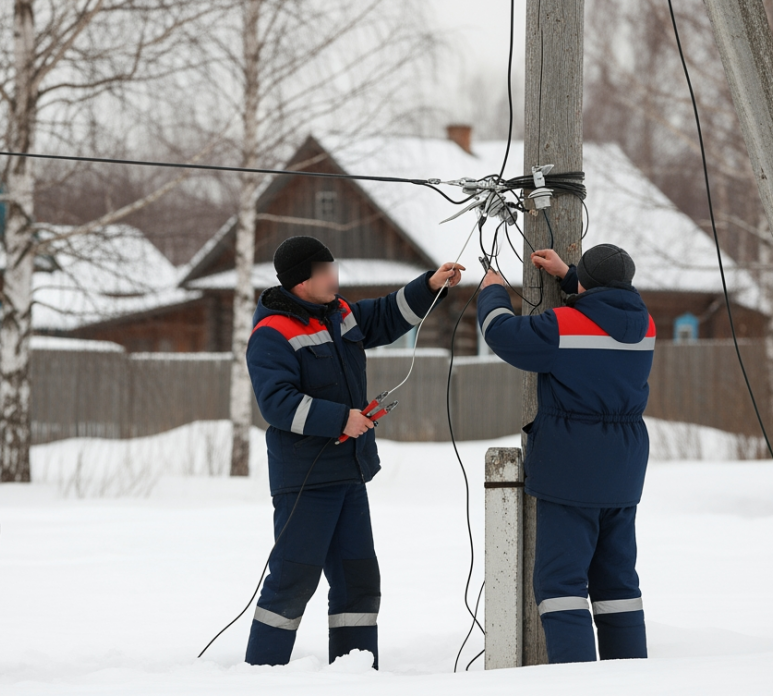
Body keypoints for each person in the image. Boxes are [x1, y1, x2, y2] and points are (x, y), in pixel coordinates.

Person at [244, 236, 464, 668]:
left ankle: (355, 671)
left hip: (349, 472)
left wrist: (430, 286)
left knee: (359, 581)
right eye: (326, 270)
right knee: (293, 580)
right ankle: (261, 675)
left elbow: (382, 315)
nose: (335, 276)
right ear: (302, 281)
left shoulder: (338, 313)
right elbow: (277, 403)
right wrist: (340, 419)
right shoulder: (272, 332)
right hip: (305, 478)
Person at [477, 244, 654, 664]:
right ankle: (630, 681)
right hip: (624, 470)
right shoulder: (644, 325)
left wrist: (493, 292)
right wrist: (569, 276)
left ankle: (575, 685)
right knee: (618, 587)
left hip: (572, 468)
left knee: (561, 587)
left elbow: (501, 334)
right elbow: (604, 308)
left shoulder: (563, 326)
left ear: (588, 282)